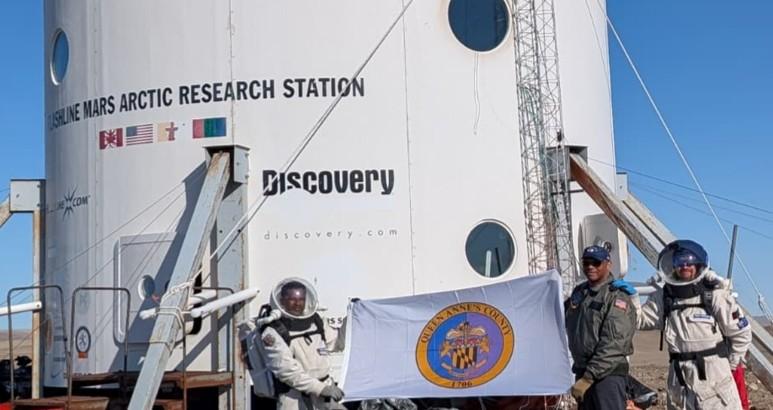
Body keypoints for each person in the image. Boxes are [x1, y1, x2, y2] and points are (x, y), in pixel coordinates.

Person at [634, 240, 752, 409]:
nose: (685, 266)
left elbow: (741, 333)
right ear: (672, 266)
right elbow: (641, 320)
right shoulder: (664, 296)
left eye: (689, 262)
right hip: (679, 378)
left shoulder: (714, 295)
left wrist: (731, 365)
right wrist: (632, 299)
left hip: (714, 377)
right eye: (679, 262)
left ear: (698, 265)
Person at [565, 245, 637, 409]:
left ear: (608, 264)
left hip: (607, 377)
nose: (590, 267)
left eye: (596, 262)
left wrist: (589, 377)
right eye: (586, 262)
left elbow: (614, 343)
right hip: (583, 373)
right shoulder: (580, 293)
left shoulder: (616, 296)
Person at [259, 278, 346, 410]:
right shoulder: (272, 331)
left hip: (323, 396)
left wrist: (350, 319)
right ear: (282, 301)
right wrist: (321, 388)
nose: (297, 303)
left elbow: (337, 343)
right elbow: (286, 371)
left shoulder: (316, 321)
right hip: (294, 398)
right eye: (292, 299)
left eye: (301, 299)